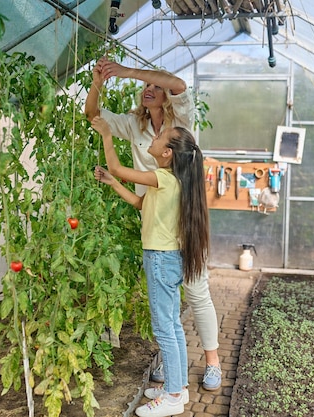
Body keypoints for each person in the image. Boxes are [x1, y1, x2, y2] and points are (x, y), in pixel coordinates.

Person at [85, 57, 222, 391]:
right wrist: (98, 81)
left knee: (196, 291)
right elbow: (93, 116)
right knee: (164, 297)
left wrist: (127, 70)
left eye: (154, 86)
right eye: (145, 85)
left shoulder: (181, 121)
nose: (149, 89)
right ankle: (171, 356)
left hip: (186, 219)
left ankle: (213, 362)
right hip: (154, 213)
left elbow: (177, 84)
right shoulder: (135, 125)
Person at [91, 115, 208, 417]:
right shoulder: (172, 180)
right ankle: (178, 387)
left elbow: (118, 166)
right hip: (168, 258)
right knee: (173, 326)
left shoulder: (164, 178)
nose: (153, 140)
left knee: (164, 329)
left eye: (159, 138)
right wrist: (112, 182)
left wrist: (106, 134)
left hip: (159, 258)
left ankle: (171, 397)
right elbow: (140, 204)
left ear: (167, 153)